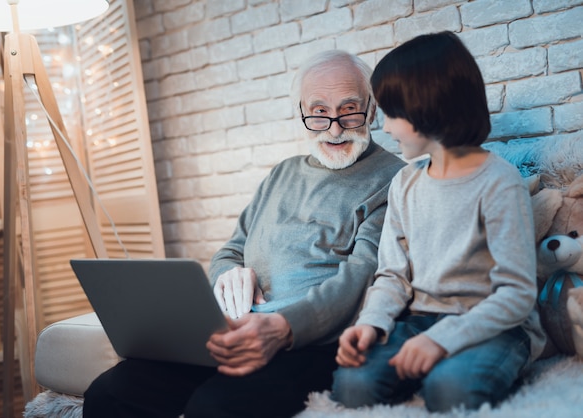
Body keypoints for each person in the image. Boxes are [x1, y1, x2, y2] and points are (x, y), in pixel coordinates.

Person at [82, 49, 405, 418]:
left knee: (214, 408)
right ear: (302, 113)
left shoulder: (392, 179)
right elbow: (230, 250)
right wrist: (228, 277)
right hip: (236, 328)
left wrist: (282, 328)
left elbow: (364, 275)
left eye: (349, 109)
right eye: (318, 112)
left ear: (372, 109)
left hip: (307, 343)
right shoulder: (282, 174)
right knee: (110, 393)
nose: (334, 127)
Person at [331, 31, 546, 414]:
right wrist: (372, 324)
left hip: (493, 327)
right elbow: (392, 274)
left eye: (391, 115)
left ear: (426, 109)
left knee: (448, 389)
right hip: (418, 320)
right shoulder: (405, 183)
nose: (384, 128)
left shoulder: (499, 182)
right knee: (352, 383)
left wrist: (443, 341)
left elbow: (516, 294)